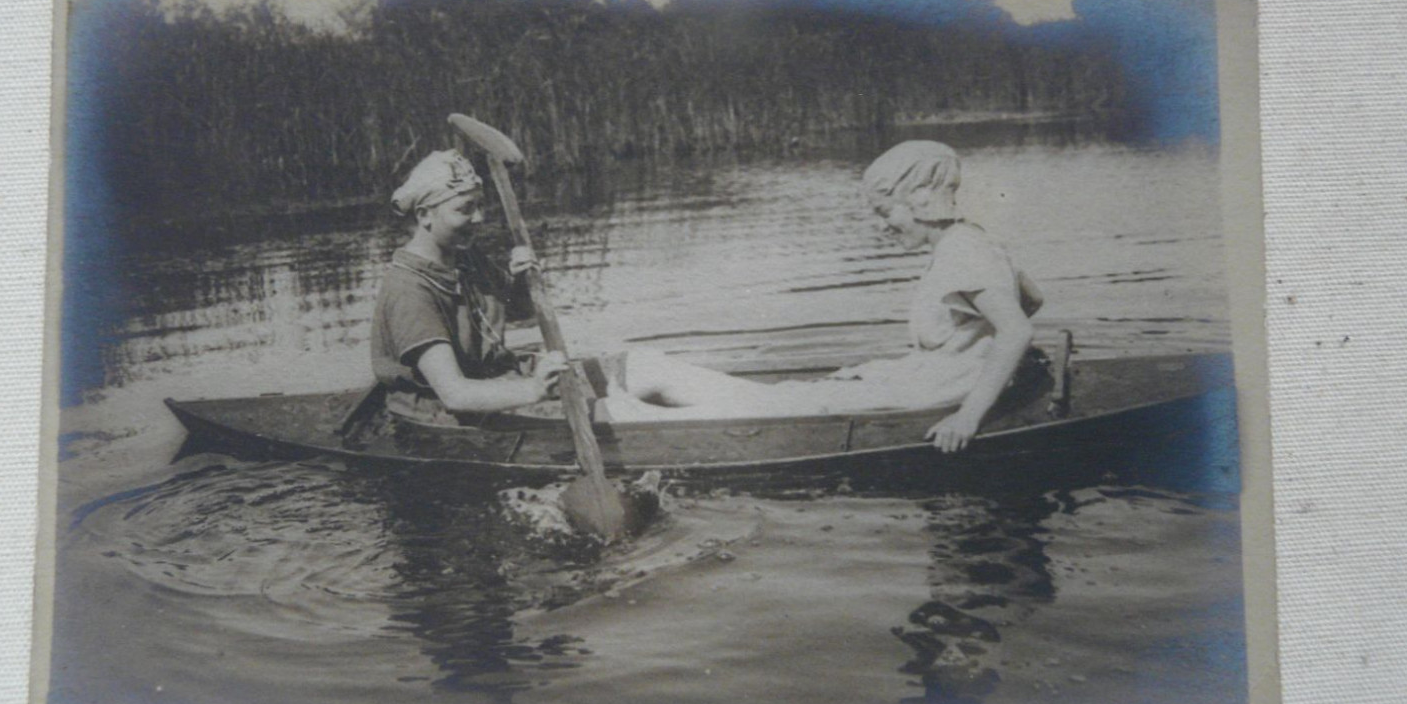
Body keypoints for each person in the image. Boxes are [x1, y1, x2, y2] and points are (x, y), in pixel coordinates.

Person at [600, 140, 1044, 452]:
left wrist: (968, 416)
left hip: (935, 392)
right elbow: (1029, 299)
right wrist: (980, 354)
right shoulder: (971, 241)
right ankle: (651, 374)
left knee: (783, 405)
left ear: (921, 199)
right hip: (929, 379)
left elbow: (1016, 329)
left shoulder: (961, 250)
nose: (884, 225)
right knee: (785, 398)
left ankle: (633, 414)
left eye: (886, 212)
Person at [371, 149, 566, 420]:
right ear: (425, 215)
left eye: (480, 205)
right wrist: (535, 389)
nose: (479, 218)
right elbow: (455, 394)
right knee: (619, 409)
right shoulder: (408, 290)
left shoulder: (465, 256)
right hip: (448, 414)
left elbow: (521, 313)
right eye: (465, 209)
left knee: (644, 368)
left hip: (502, 382)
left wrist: (523, 279)